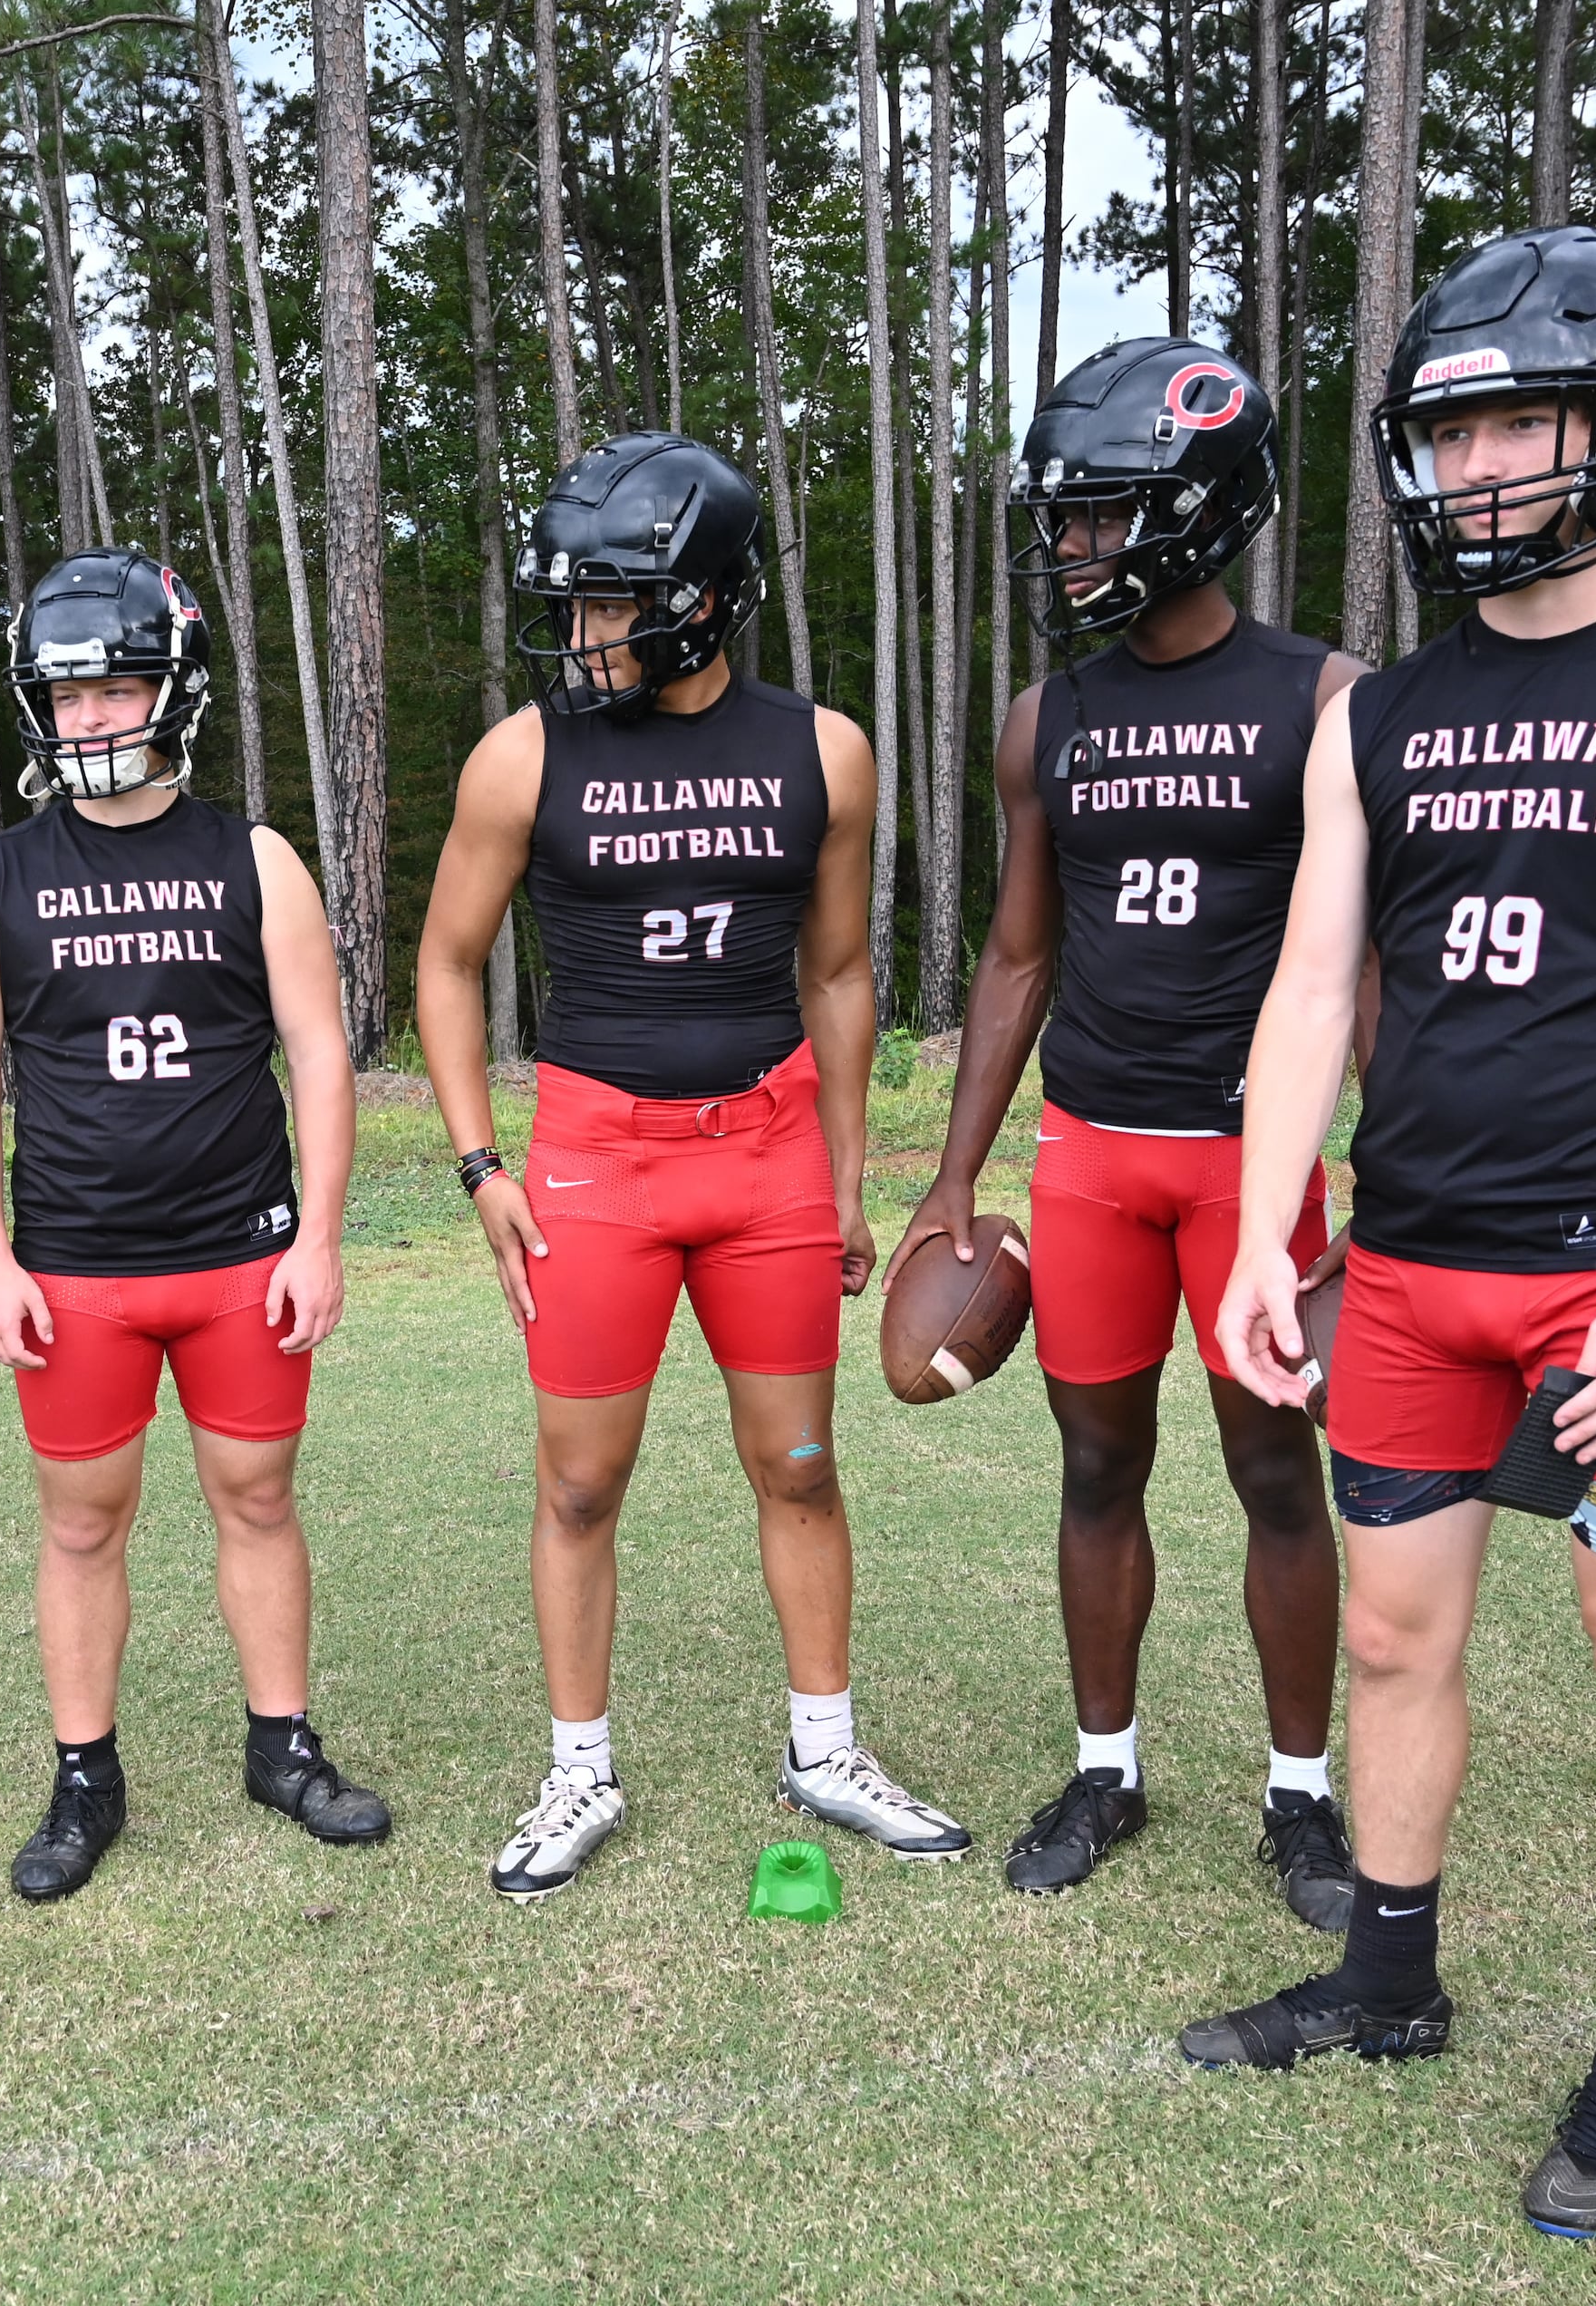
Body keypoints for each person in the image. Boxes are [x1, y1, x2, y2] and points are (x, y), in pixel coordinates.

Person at [1180, 228, 1596, 2243]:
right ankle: (1391, 1979)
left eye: (1514, 426)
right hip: (1406, 1270)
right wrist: (1257, 1230)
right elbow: (1310, 990)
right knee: (1392, 1634)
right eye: (1447, 435)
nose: (1474, 475)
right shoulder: (1376, 714)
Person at [414, 431, 968, 1904]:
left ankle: (825, 1747)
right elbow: (447, 962)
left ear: (712, 599)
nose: (586, 635)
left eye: (615, 604)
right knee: (582, 1484)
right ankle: (578, 1768)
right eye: (576, 604)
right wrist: (481, 1165)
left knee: (798, 1463)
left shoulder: (823, 747)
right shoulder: (525, 752)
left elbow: (840, 974)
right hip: (598, 1153)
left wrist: (847, 1175)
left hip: (771, 1150)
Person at [888, 339, 1366, 1928]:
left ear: (1198, 510)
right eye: (1068, 519)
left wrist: (1395, 1167)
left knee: (1271, 1468)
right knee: (1097, 1461)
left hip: (1252, 1158)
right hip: (1092, 1153)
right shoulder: (1049, 717)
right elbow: (1021, 951)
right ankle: (1108, 1767)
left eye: (1101, 518)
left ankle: (1302, 1799)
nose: (1074, 547)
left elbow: (1360, 963)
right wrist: (957, 1170)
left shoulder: (1326, 699)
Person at [0, 547, 388, 1904]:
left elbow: (317, 1053)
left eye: (117, 688)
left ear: (173, 690)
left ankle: (283, 1744)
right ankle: (87, 1777)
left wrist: (319, 1236)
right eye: (67, 698)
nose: (91, 721)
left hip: (242, 1246)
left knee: (257, 1495)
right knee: (82, 1524)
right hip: (77, 1264)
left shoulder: (254, 857)